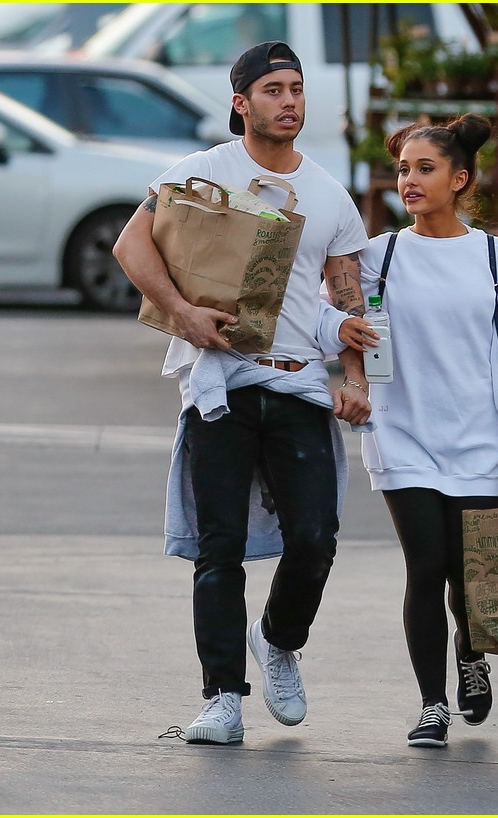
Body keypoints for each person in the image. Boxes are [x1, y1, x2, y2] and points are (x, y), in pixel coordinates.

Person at [112, 41, 375, 746]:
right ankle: (222, 697)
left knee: (315, 537)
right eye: (273, 90)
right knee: (218, 547)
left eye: (295, 89)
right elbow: (130, 248)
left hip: (296, 385)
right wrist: (185, 313)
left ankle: (278, 639)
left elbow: (350, 299)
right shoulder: (200, 174)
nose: (289, 101)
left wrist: (355, 379)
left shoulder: (328, 194)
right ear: (242, 103)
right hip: (219, 386)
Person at [349, 114, 498, 748]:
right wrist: (349, 364)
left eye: (425, 169)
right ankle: (432, 703)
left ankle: (472, 655)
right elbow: (343, 319)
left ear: (460, 179)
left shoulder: (495, 258)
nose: (409, 180)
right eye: (404, 169)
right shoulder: (378, 256)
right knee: (426, 566)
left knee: (471, 576)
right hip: (402, 432)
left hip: (479, 440)